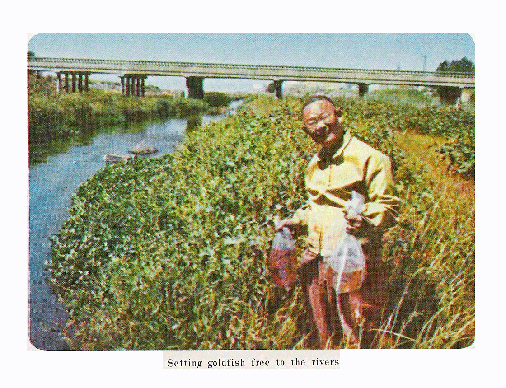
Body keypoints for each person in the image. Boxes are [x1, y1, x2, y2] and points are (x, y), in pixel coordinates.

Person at [277, 95, 400, 348]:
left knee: (357, 332)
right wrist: (296, 221)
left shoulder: (371, 159)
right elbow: (315, 206)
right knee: (324, 332)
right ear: (306, 130)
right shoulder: (315, 164)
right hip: (316, 260)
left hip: (353, 262)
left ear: (339, 116)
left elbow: (389, 208)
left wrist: (365, 220)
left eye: (324, 118)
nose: (320, 126)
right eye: (312, 122)